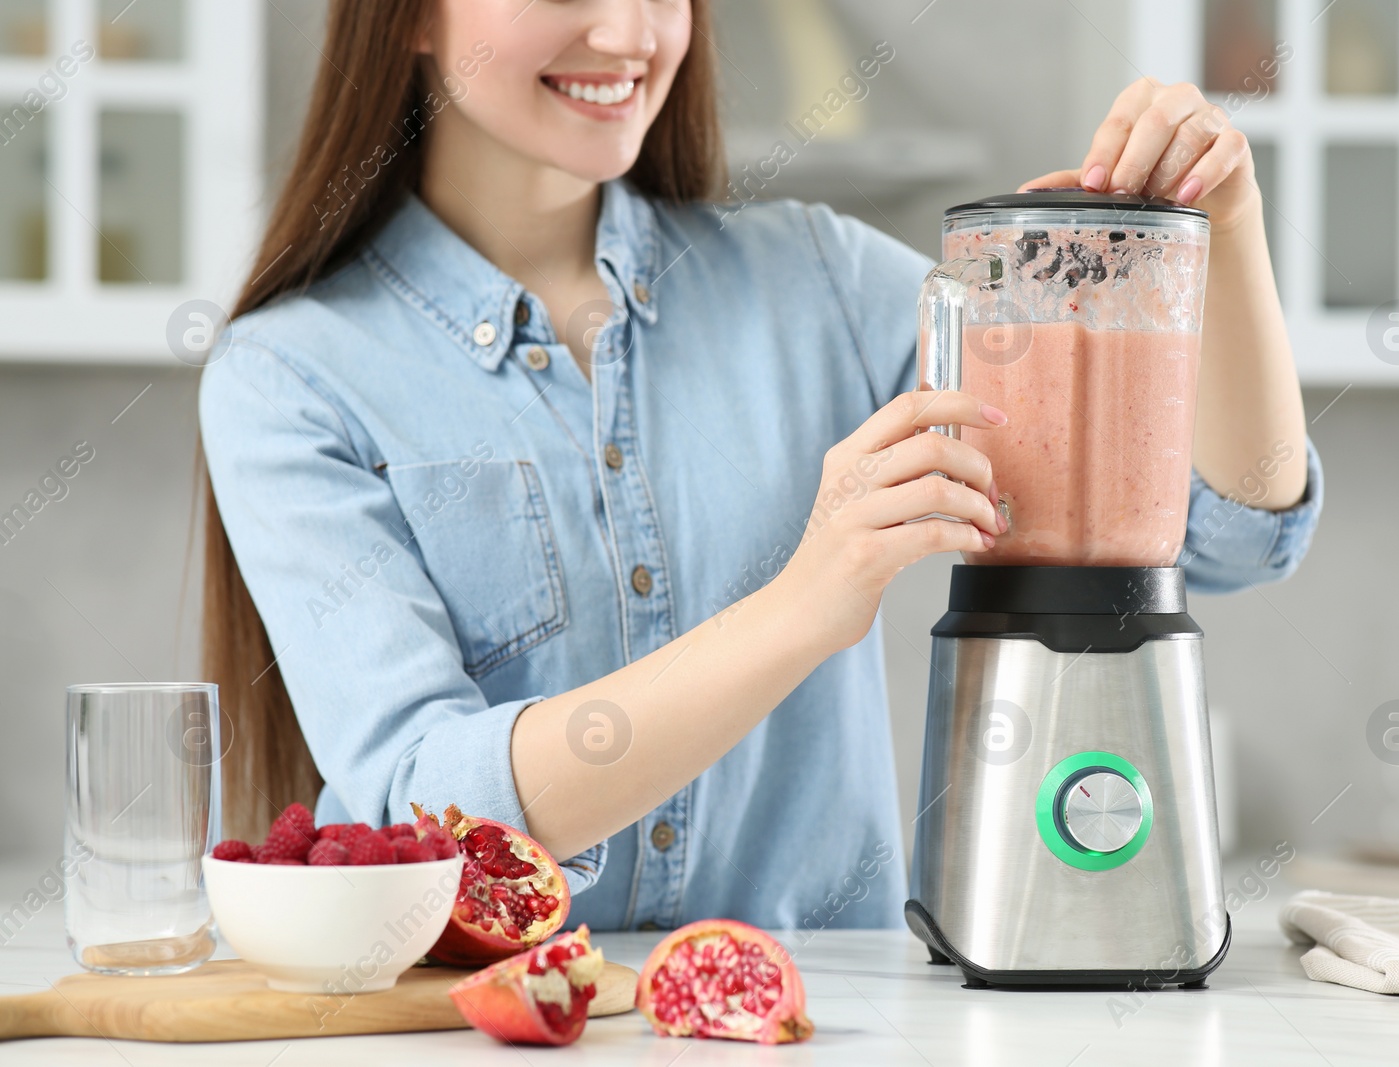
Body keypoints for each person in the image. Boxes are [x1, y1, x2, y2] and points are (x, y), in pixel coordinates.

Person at [199, 0, 1322, 932]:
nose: (626, 29)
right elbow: (427, 805)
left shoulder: (820, 285)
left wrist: (1228, 231)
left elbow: (1224, 534)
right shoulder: (291, 376)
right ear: (407, 20)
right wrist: (804, 603)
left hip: (835, 1027)